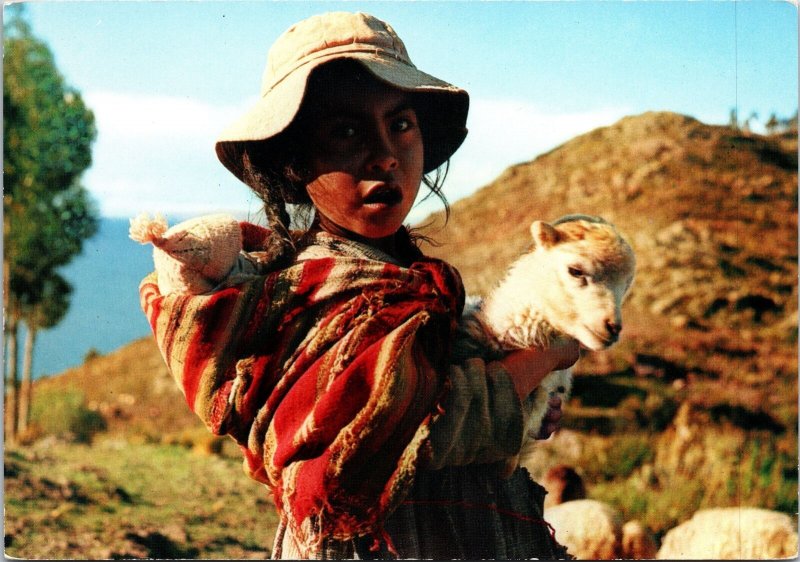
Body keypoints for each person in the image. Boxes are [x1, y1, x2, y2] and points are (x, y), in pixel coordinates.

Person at [139, 11, 579, 560]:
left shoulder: (417, 285)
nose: (385, 154)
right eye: (346, 131)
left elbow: (452, 398)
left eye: (401, 124)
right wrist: (543, 358)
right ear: (294, 162)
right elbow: (414, 429)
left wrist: (525, 407)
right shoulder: (315, 296)